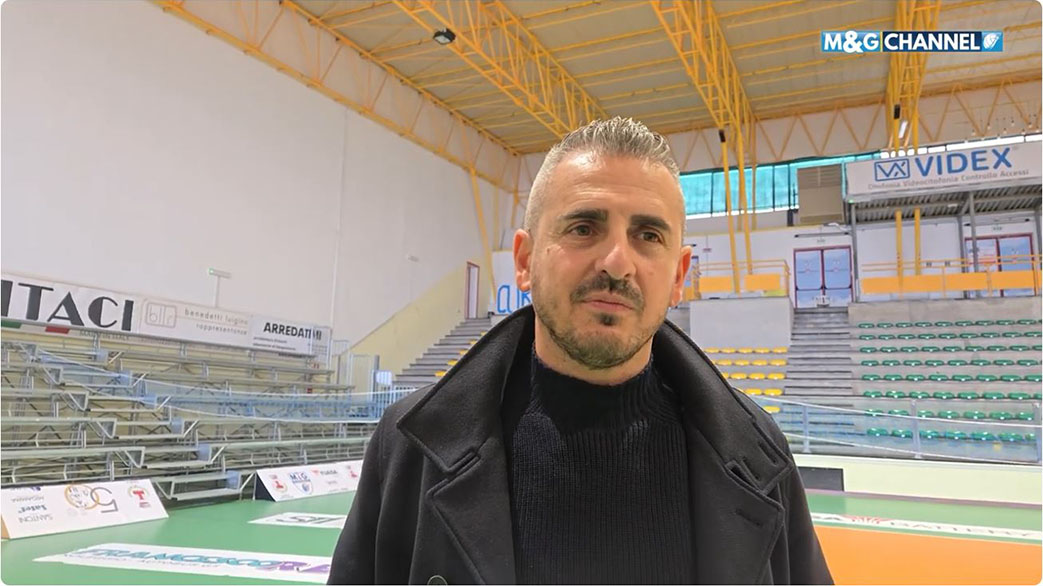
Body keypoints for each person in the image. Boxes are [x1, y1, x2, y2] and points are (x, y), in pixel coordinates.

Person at [328, 117, 833, 585]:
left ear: (679, 276)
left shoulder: (760, 456)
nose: (616, 262)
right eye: (583, 228)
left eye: (648, 235)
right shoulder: (407, 448)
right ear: (524, 261)